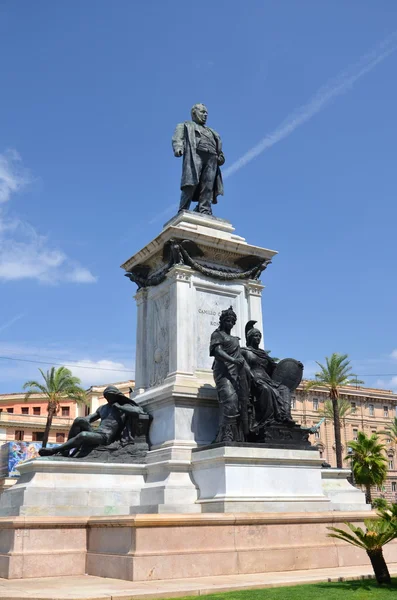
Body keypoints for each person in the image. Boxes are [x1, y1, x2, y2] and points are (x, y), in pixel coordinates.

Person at [38, 386, 147, 457]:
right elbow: (88, 419)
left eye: (111, 396)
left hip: (106, 437)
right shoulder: (103, 408)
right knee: (79, 419)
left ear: (117, 396)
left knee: (83, 435)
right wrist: (83, 422)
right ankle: (66, 451)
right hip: (97, 432)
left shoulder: (124, 406)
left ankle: (55, 450)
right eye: (107, 396)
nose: (109, 398)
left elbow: (139, 412)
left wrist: (119, 407)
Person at [241, 321, 296, 431]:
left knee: (284, 389)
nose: (258, 338)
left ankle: (285, 417)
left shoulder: (264, 354)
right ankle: (267, 420)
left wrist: (295, 367)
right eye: (255, 336)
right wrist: (252, 378)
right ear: (250, 338)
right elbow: (243, 367)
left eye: (259, 336)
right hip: (254, 379)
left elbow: (275, 368)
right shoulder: (244, 351)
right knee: (266, 390)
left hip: (267, 379)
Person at [172, 103, 225, 215]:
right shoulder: (185, 125)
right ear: (194, 113)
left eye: (206, 113)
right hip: (195, 154)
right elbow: (178, 138)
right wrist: (178, 147)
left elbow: (219, 148)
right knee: (191, 183)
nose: (205, 115)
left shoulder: (212, 131)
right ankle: (183, 208)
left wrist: (221, 157)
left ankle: (204, 209)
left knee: (208, 185)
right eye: (202, 112)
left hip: (212, 157)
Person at [210, 307, 250, 442]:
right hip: (223, 372)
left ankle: (236, 436)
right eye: (228, 320)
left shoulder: (234, 339)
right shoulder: (217, 334)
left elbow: (241, 358)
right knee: (230, 400)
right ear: (222, 321)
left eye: (233, 321)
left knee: (239, 403)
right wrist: (233, 360)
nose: (230, 323)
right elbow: (217, 351)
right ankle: (226, 434)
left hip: (237, 373)